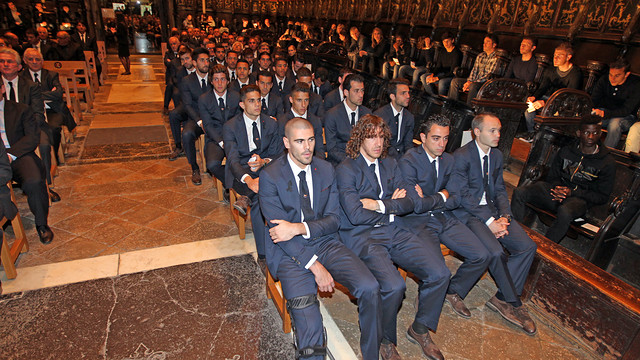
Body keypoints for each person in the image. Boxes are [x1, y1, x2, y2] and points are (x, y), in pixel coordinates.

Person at [259, 117, 382, 359]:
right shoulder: (270, 176)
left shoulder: (325, 170)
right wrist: (315, 267)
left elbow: (334, 220)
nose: (307, 147)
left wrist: (299, 227)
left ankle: (371, 353)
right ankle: (310, 336)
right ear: (286, 143)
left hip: (326, 242)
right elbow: (281, 235)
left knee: (370, 287)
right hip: (289, 254)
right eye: (300, 141)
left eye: (312, 140)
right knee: (311, 344)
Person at [336, 114, 448, 360]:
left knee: (440, 273)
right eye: (371, 136)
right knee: (395, 285)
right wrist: (391, 203)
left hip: (393, 229)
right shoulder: (346, 169)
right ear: (359, 138)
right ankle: (385, 340)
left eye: (381, 137)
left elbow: (409, 202)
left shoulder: (390, 163)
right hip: (363, 236)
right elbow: (354, 214)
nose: (378, 143)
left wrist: (378, 206)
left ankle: (419, 329)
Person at [397, 114, 506, 321]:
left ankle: (452, 291)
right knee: (439, 270)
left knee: (482, 254)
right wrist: (443, 194)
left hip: (443, 217)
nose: (442, 144)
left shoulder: (449, 159)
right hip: (418, 222)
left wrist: (436, 197)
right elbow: (417, 205)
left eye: (446, 138)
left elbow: (455, 199)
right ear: (423, 137)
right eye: (436, 138)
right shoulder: (409, 160)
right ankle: (426, 309)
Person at [449, 113, 538, 335]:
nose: (499, 135)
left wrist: (505, 217)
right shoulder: (461, 156)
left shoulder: (496, 156)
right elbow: (462, 196)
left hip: (494, 212)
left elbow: (499, 189)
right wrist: (490, 221)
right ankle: (514, 303)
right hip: (470, 213)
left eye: (499, 130)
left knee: (527, 247)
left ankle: (502, 298)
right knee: (495, 252)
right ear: (476, 132)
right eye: (493, 131)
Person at [512, 116, 616, 244]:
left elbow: (602, 196)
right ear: (579, 133)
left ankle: (545, 247)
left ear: (600, 134)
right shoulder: (567, 151)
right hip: (556, 192)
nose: (590, 137)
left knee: (565, 212)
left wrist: (572, 192)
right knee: (520, 192)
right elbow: (553, 176)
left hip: (579, 200)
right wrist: (558, 189)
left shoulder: (607, 162)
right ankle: (514, 236)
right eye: (586, 132)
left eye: (595, 133)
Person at [223, 85, 283, 259]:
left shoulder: (271, 123)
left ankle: (247, 198)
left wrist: (263, 161)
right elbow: (233, 159)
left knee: (259, 197)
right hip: (241, 172)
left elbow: (277, 153)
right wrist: (248, 179)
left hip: (265, 169)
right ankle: (264, 255)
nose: (257, 104)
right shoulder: (231, 126)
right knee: (261, 198)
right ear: (242, 104)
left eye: (259, 100)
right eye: (251, 101)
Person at [0, 48, 53, 244]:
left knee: (33, 180)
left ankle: (41, 224)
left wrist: (10, 154)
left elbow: (32, 137)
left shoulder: (19, 109)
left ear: (2, 89)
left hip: (17, 153)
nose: (5, 65)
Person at [21, 48, 76, 202]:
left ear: (42, 61)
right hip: (31, 114)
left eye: (37, 59)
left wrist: (34, 95)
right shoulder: (21, 77)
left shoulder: (51, 75)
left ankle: (54, 159)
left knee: (53, 129)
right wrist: (43, 94)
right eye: (30, 59)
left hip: (52, 110)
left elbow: (58, 94)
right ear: (25, 61)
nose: (34, 62)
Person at [520, 42, 582, 141]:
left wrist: (546, 103)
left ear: (568, 57)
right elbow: (543, 87)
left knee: (551, 113)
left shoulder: (575, 73)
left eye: (559, 56)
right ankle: (532, 133)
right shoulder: (551, 69)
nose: (555, 58)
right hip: (548, 97)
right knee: (529, 107)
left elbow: (569, 97)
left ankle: (544, 137)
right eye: (555, 55)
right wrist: (534, 97)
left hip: (563, 103)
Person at [168, 47, 211, 185]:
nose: (206, 63)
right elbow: (187, 105)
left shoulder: (214, 77)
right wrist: (199, 121)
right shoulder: (187, 80)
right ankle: (194, 167)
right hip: (196, 118)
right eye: (202, 60)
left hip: (214, 117)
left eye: (207, 60)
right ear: (194, 63)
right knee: (187, 134)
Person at [198, 64, 240, 190]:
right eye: (216, 79)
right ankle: (233, 186)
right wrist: (222, 142)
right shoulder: (204, 99)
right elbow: (208, 125)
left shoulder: (236, 96)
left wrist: (230, 140)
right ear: (211, 81)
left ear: (228, 81)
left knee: (242, 161)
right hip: (215, 138)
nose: (220, 83)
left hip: (234, 137)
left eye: (222, 79)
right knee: (212, 164)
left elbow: (239, 121)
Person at [591, 59, 640, 149]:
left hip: (627, 117)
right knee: (590, 116)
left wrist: (605, 114)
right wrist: (594, 109)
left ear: (626, 74)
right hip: (606, 112)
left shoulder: (636, 85)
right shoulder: (604, 80)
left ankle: (604, 153)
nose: (612, 78)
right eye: (611, 75)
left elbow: (626, 110)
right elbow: (594, 99)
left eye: (617, 75)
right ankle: (584, 149)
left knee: (614, 124)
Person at [324, 74, 372, 166]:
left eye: (362, 90)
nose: (361, 95)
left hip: (362, 162)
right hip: (339, 163)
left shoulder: (367, 114)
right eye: (356, 91)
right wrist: (352, 162)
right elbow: (332, 149)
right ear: (346, 92)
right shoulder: (332, 115)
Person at [448, 34, 499, 104]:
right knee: (455, 81)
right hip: (474, 81)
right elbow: (474, 71)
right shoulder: (480, 56)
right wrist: (469, 81)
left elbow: (488, 77)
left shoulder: (496, 58)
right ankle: (452, 106)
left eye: (488, 42)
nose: (484, 44)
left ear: (494, 45)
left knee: (473, 86)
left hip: (484, 83)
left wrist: (472, 83)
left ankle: (469, 110)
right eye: (484, 42)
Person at [277, 82, 325, 158]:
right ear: (291, 99)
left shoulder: (315, 121)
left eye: (306, 100)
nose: (303, 105)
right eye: (299, 100)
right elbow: (280, 152)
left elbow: (320, 151)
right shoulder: (282, 122)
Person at [374, 79, 414, 158]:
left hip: (402, 157)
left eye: (408, 93)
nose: (408, 96)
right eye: (403, 93)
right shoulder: (380, 115)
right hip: (384, 156)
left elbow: (408, 144)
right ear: (392, 96)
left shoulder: (409, 117)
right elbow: (381, 144)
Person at [162, 36, 181, 114]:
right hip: (171, 75)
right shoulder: (168, 53)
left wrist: (172, 61)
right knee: (170, 86)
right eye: (171, 44)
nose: (173, 46)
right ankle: (166, 106)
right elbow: (167, 63)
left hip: (180, 75)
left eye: (174, 44)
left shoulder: (182, 51)